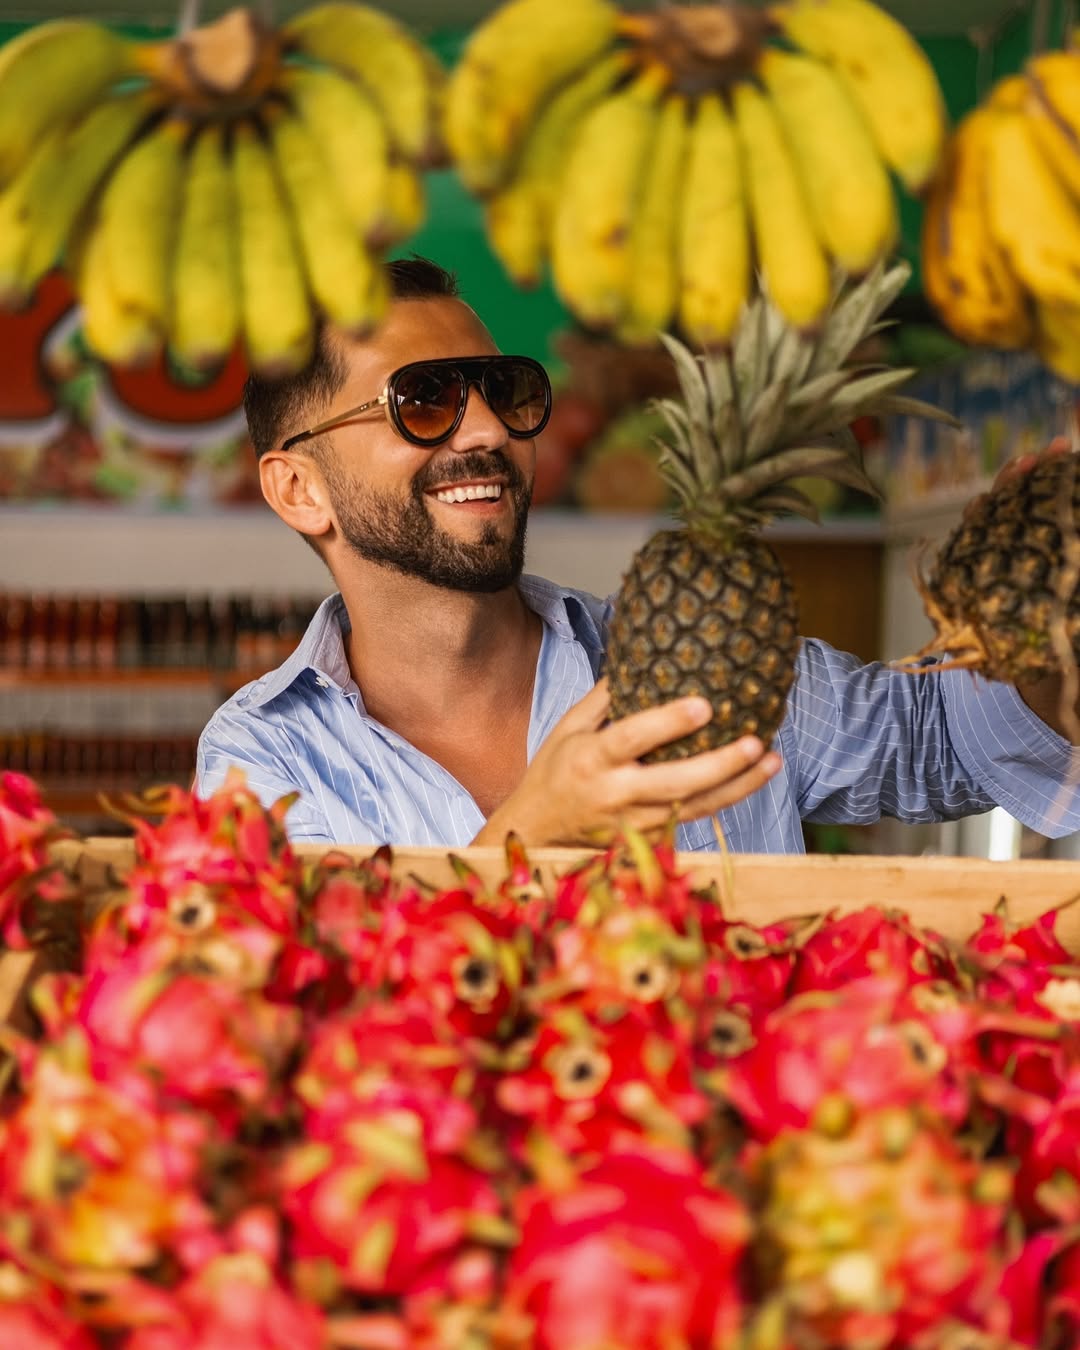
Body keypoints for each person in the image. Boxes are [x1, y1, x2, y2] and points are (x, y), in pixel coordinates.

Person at [195, 256, 1080, 852]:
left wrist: (1044, 622)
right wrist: (532, 837)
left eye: (503, 389)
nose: (489, 428)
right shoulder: (260, 757)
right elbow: (309, 1026)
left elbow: (939, 742)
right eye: (423, 401)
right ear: (296, 490)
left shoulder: (705, 661)